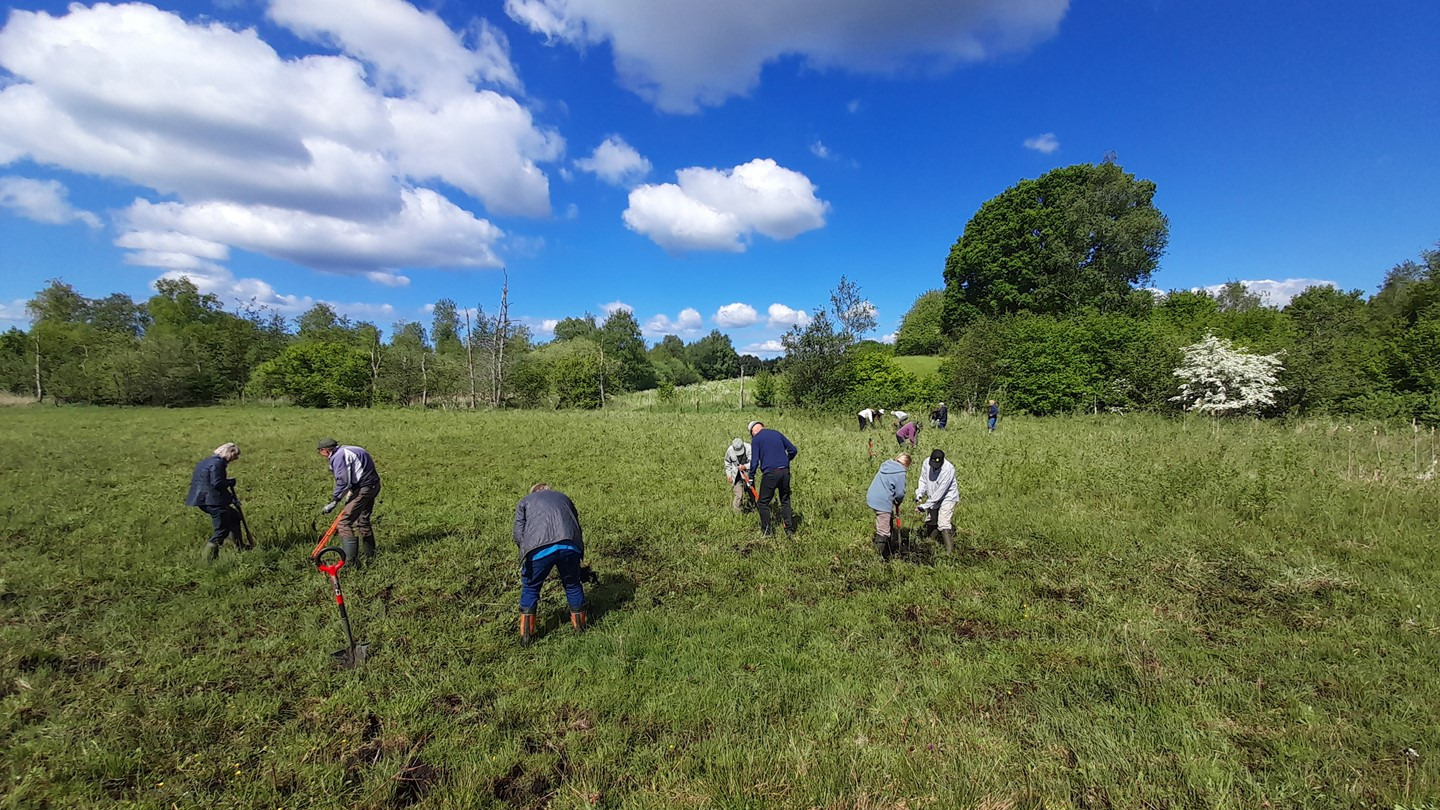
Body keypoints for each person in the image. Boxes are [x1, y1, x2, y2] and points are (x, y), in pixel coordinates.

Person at [513, 483, 587, 646]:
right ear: (548, 489)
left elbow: (518, 533)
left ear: (533, 493)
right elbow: (575, 521)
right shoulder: (563, 497)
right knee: (573, 584)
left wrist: (526, 550)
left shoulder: (525, 501)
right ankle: (581, 629)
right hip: (569, 544)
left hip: (538, 549)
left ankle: (526, 637)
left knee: (531, 587)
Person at [317, 438, 382, 568]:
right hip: (373, 485)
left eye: (320, 451)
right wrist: (351, 492)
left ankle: (350, 562)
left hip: (364, 488)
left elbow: (343, 480)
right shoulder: (351, 449)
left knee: (344, 523)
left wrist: (335, 501)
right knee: (363, 521)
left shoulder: (337, 457)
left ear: (325, 450)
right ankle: (371, 555)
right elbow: (356, 472)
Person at [185, 442, 244, 563]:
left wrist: (231, 499)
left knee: (234, 517)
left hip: (204, 499)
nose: (235, 459)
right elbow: (217, 483)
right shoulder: (218, 464)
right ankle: (207, 559)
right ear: (230, 452)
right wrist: (230, 482)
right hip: (212, 501)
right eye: (235, 455)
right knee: (222, 530)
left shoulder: (206, 462)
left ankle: (239, 546)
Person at [747, 420, 798, 536]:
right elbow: (793, 450)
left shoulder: (756, 439)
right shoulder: (776, 433)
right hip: (785, 471)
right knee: (785, 500)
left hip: (770, 473)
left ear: (752, 432)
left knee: (762, 503)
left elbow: (754, 462)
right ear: (763, 427)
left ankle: (767, 532)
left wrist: (751, 477)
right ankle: (789, 529)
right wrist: (786, 460)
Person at [866, 452, 911, 560]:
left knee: (887, 519)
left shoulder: (886, 466)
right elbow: (900, 493)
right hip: (882, 501)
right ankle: (877, 558)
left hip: (872, 496)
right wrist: (898, 501)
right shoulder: (901, 473)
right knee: (883, 530)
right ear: (906, 464)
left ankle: (887, 550)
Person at [915, 449, 959, 554]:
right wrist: (920, 494)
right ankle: (930, 542)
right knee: (931, 519)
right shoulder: (926, 463)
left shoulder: (948, 469)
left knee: (943, 522)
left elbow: (940, 492)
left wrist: (923, 506)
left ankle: (949, 553)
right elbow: (923, 479)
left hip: (947, 496)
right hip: (932, 494)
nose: (934, 466)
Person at [723, 437, 753, 511]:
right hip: (736, 476)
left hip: (747, 475)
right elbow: (727, 462)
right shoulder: (730, 450)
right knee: (739, 494)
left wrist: (745, 466)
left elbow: (754, 462)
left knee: (751, 492)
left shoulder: (749, 448)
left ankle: (752, 508)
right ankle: (737, 512)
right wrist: (729, 475)